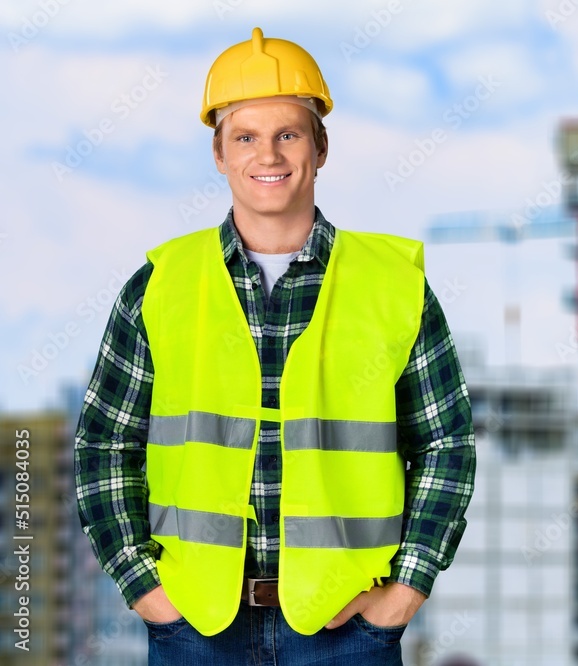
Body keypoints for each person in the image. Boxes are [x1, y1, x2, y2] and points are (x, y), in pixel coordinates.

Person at [74, 27, 476, 665]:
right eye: (245, 136)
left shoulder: (394, 286)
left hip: (347, 630)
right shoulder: (160, 286)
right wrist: (144, 588)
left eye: (288, 133)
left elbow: (446, 444)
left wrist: (404, 593)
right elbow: (104, 444)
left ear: (319, 147)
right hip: (195, 629)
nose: (269, 154)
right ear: (219, 154)